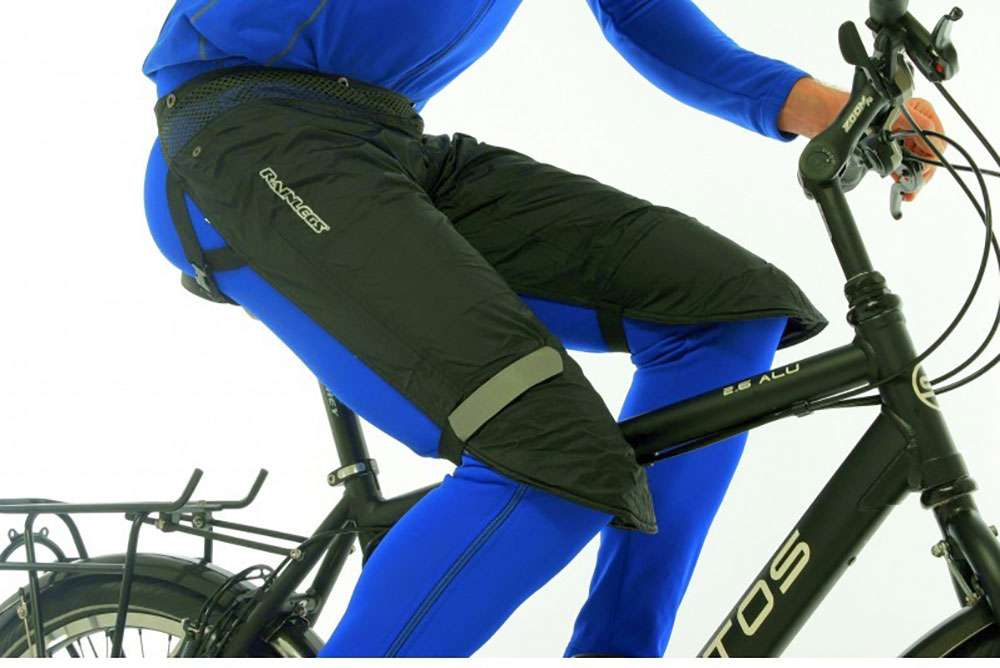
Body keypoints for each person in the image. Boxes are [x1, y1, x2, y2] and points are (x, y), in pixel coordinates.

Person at [142, 0, 943, 657]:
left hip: (382, 138)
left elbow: (642, 11)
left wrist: (840, 112)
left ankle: (615, 653)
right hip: (241, 136)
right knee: (546, 453)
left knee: (726, 309)